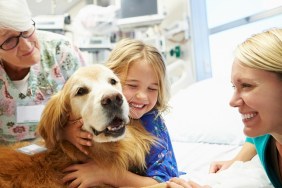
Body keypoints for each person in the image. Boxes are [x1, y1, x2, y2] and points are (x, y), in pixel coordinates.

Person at [166, 28, 282, 188]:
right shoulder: (265, 133)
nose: (233, 101)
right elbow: (254, 139)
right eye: (234, 87)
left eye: (247, 86)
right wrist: (236, 161)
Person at [62, 38, 179, 187]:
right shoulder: (94, 110)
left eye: (152, 89)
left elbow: (163, 181)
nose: (142, 96)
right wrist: (66, 132)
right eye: (132, 85)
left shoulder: (152, 121)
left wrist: (106, 174)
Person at [0, 0, 84, 144]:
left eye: (26, 30)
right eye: (9, 40)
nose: (26, 46)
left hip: (62, 149)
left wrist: (64, 131)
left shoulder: (62, 51)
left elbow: (89, 106)